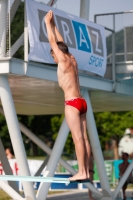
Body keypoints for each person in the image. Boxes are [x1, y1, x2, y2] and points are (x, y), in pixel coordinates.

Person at [45, 10, 90, 181]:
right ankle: (85, 171)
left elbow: (52, 41)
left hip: (72, 103)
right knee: (84, 138)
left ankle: (82, 172)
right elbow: (61, 42)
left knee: (77, 138)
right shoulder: (73, 60)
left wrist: (47, 24)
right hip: (82, 102)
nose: (54, 58)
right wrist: (55, 25)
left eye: (53, 55)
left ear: (58, 54)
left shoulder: (63, 60)